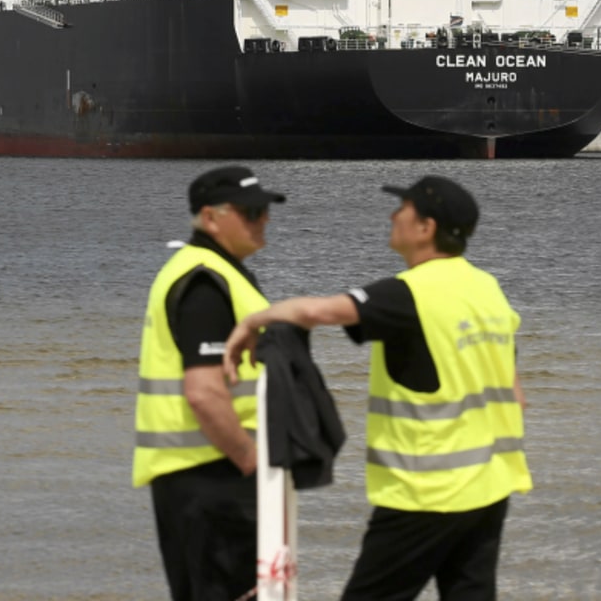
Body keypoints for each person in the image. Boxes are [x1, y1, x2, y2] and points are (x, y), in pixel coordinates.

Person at [224, 175, 532, 601]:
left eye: (402, 209)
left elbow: (319, 311)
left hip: (426, 494)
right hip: (489, 489)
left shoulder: (411, 293)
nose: (392, 216)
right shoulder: (487, 289)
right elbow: (516, 393)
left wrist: (252, 321)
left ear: (425, 228)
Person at [133, 165, 286, 601]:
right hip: (215, 477)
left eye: (264, 210)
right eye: (251, 212)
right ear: (210, 217)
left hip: (204, 478)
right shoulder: (205, 282)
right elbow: (203, 392)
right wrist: (251, 462)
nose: (263, 220)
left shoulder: (216, 272)